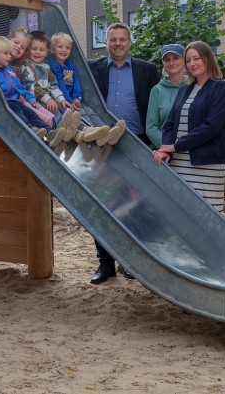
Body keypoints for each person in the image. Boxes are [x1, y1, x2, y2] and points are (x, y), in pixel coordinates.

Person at [87, 22, 159, 284]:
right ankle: (105, 264)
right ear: (106, 43)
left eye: (122, 40)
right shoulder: (92, 69)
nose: (117, 44)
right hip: (102, 145)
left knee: (134, 204)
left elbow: (156, 107)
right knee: (102, 202)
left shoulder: (147, 70)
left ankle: (129, 262)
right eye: (113, 39)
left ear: (130, 42)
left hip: (136, 143)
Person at [154, 41, 225, 212]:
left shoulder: (220, 88)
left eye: (197, 58)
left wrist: (176, 146)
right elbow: (169, 125)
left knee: (208, 219)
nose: (192, 64)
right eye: (188, 60)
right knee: (180, 216)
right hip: (179, 165)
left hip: (206, 165)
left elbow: (211, 127)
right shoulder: (185, 90)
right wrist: (166, 149)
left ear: (208, 59)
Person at [0, 35, 72, 148]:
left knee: (32, 114)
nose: (9, 56)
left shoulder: (9, 71)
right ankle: (32, 130)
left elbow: (20, 87)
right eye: (5, 54)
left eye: (9, 53)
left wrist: (30, 98)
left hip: (17, 100)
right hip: (7, 102)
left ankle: (49, 133)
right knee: (22, 116)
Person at [49, 32, 126, 146]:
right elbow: (60, 84)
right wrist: (70, 100)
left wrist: (77, 98)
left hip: (72, 99)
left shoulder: (70, 65)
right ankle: (93, 131)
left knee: (90, 111)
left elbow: (76, 83)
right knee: (81, 113)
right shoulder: (53, 65)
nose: (64, 50)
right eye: (60, 47)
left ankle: (107, 131)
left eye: (67, 47)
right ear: (52, 50)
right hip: (62, 100)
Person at [146, 44, 187, 149]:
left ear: (184, 60)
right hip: (167, 153)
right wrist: (170, 147)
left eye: (176, 58)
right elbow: (151, 127)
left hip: (194, 150)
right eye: (167, 59)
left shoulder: (194, 86)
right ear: (163, 63)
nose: (171, 63)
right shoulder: (157, 90)